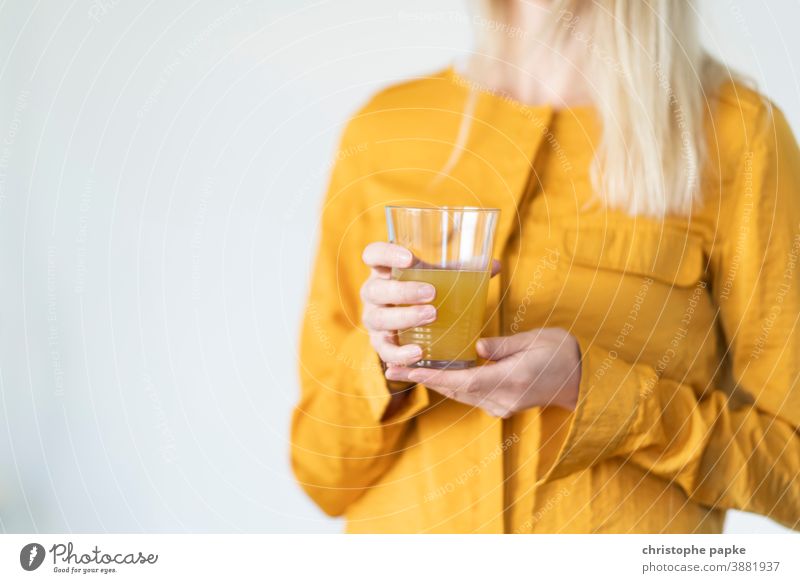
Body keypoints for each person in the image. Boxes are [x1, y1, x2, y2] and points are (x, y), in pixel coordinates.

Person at [291, 0, 800, 533]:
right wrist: (384, 366)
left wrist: (598, 393)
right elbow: (321, 474)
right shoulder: (384, 130)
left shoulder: (736, 136)